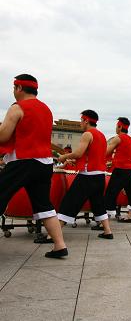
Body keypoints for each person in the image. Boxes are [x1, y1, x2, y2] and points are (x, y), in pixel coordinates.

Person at [0, 74, 67, 258]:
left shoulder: (17, 108)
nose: (13, 92)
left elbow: (4, 136)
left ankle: (60, 245)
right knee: (44, 206)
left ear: (19, 88)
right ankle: (59, 246)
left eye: (14, 88)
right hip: (44, 163)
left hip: (23, 161)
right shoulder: (46, 109)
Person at [57, 110, 113, 239]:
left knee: (69, 202)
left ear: (86, 120)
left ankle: (51, 235)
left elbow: (79, 153)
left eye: (81, 121)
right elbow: (92, 155)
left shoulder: (87, 134)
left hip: (88, 176)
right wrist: (75, 160)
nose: (80, 123)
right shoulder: (102, 135)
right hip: (100, 176)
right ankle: (107, 231)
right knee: (98, 203)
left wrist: (64, 156)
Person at [104, 117, 131, 229]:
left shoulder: (118, 138)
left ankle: (103, 224)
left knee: (110, 194)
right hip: (130, 171)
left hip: (120, 171)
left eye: (116, 126)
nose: (116, 128)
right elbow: (130, 155)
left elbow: (106, 152)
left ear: (120, 126)